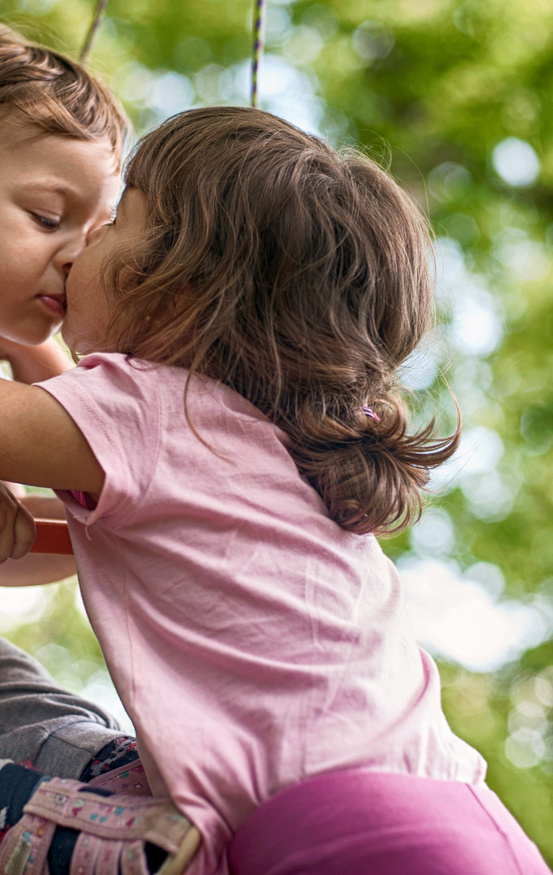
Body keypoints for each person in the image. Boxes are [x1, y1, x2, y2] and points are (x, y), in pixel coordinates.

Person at [0, 104, 549, 875]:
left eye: (117, 219)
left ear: (181, 285)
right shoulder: (275, 439)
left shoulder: (155, 407)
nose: (81, 242)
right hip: (464, 821)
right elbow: (96, 503)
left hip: (322, 829)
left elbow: (38, 426)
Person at [0, 26, 200, 875]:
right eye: (49, 216)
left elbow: (84, 482)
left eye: (96, 228)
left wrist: (132, 524)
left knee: (57, 722)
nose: (78, 251)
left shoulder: (25, 367)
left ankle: (108, 800)